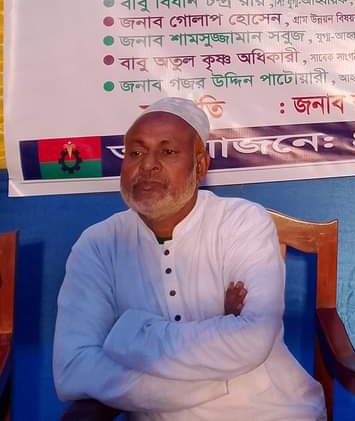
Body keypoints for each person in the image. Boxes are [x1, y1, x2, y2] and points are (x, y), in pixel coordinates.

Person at [53, 97, 326, 420]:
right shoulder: (98, 245)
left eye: (168, 152)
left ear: (200, 165)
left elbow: (254, 338)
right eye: (135, 153)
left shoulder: (241, 221)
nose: (148, 165)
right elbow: (73, 369)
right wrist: (218, 347)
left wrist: (131, 333)